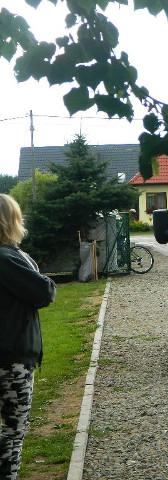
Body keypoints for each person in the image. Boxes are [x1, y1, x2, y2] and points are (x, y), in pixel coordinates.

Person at [0, 194, 56, 480]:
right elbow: (44, 292)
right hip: (12, 359)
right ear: (11, 221)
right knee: (13, 431)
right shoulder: (7, 258)